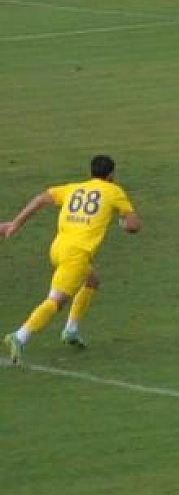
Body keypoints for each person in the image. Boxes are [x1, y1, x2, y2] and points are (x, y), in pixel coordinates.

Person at [3, 155, 141, 362]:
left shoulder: (74, 188)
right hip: (76, 254)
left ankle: (71, 330)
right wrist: (123, 224)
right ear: (111, 174)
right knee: (56, 301)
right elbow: (134, 226)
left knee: (92, 280)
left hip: (59, 248)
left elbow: (41, 198)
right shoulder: (114, 192)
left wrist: (15, 223)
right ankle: (20, 336)